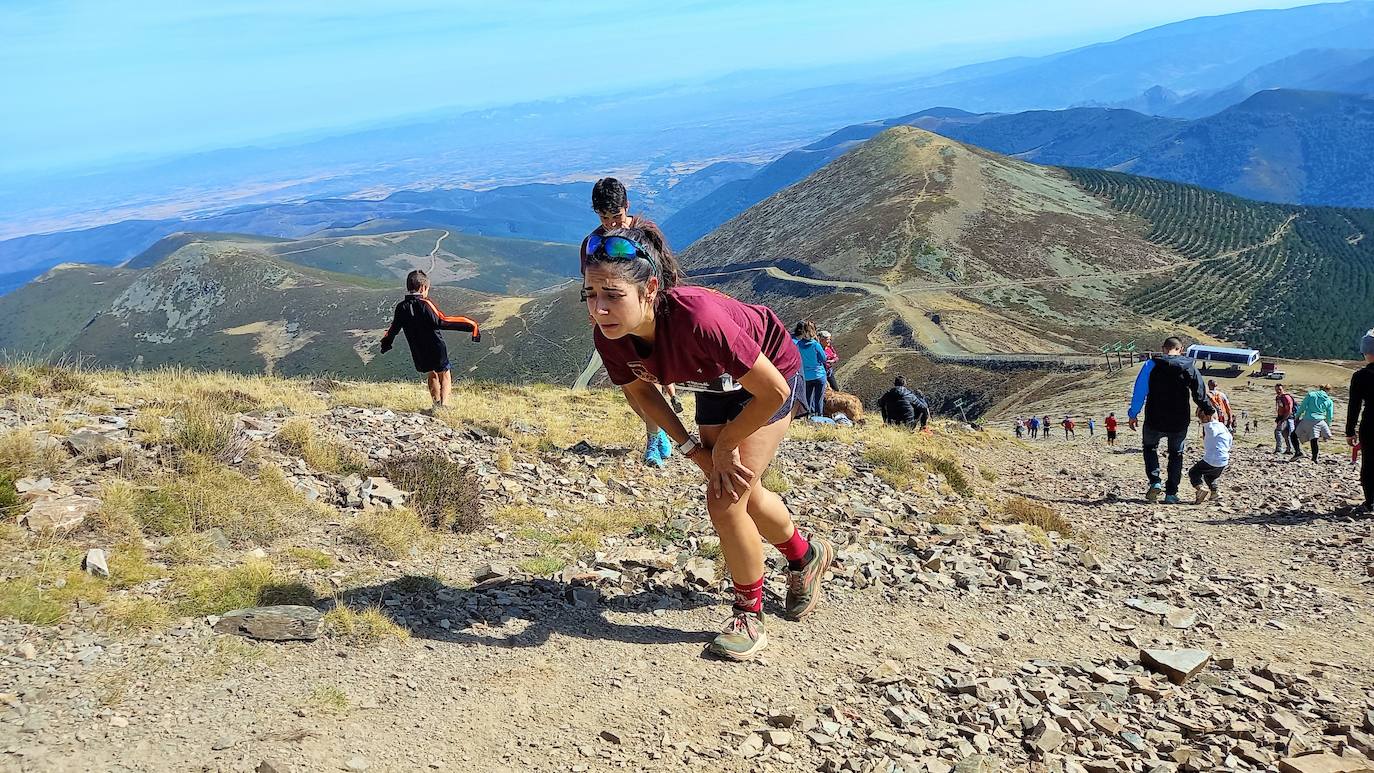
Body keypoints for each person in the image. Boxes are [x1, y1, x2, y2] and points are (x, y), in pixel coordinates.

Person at [582, 225, 833, 661]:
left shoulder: (699, 320)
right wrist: (689, 448)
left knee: (725, 496)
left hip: (769, 373)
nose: (599, 309)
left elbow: (772, 391)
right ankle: (805, 555)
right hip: (716, 383)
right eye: (589, 294)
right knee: (741, 489)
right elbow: (640, 393)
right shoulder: (611, 334)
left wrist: (723, 445)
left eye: (612, 294)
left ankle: (748, 613)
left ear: (650, 289)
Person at [582, 177, 680, 467]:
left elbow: (667, 273)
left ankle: (654, 437)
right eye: (604, 217)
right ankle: (657, 431)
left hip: (649, 320)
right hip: (615, 322)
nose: (612, 224)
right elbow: (588, 282)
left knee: (645, 381)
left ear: (628, 207)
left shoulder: (645, 235)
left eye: (617, 216)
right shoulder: (592, 243)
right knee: (630, 387)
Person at [1128, 337, 1214, 504]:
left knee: (1150, 449)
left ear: (1163, 348)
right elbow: (1200, 393)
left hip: (1154, 418)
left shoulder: (1150, 365)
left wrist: (1133, 414)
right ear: (1181, 349)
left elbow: (1139, 391)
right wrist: (1209, 410)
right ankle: (1171, 493)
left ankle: (1155, 482)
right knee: (1176, 455)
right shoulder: (1189, 366)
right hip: (1179, 420)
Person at [379, 269, 481, 410]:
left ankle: (435, 404)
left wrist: (386, 344)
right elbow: (441, 321)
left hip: (417, 348)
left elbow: (393, 329)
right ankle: (444, 405)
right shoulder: (425, 304)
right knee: (444, 373)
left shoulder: (401, 307)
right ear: (423, 287)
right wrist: (471, 326)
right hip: (435, 346)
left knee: (431, 373)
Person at [1189, 404, 1232, 504]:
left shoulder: (1209, 426)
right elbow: (1230, 440)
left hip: (1212, 459)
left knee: (1194, 472)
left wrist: (1205, 419)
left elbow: (1209, 426)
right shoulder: (1222, 426)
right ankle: (1215, 493)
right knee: (1210, 476)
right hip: (1224, 460)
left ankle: (1200, 489)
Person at [1353, 330, 1374, 514]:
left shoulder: (1360, 376)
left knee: (1368, 464)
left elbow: (1354, 406)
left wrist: (1349, 431)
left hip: (1370, 424)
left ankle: (1370, 501)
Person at [791, 322, 829, 418]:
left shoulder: (798, 345)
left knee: (808, 397)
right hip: (819, 374)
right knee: (818, 398)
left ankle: (808, 416)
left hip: (806, 376)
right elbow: (824, 358)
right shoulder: (816, 345)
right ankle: (819, 416)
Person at [1294, 384, 1336, 462]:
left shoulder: (1311, 395)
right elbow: (1329, 416)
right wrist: (1328, 425)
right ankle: (1314, 458)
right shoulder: (1329, 400)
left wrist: (1297, 417)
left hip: (1308, 419)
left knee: (1293, 435)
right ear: (1328, 390)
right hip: (1320, 421)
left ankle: (1298, 452)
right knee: (1314, 439)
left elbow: (1302, 407)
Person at [1274, 384, 1297, 456]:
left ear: (1283, 389)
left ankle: (1279, 449)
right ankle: (1289, 449)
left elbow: (1289, 410)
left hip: (1288, 418)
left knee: (1278, 431)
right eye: (1277, 389)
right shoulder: (1278, 397)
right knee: (1286, 434)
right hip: (1282, 417)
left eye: (1280, 389)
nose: (1278, 391)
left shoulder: (1286, 397)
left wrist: (1283, 419)